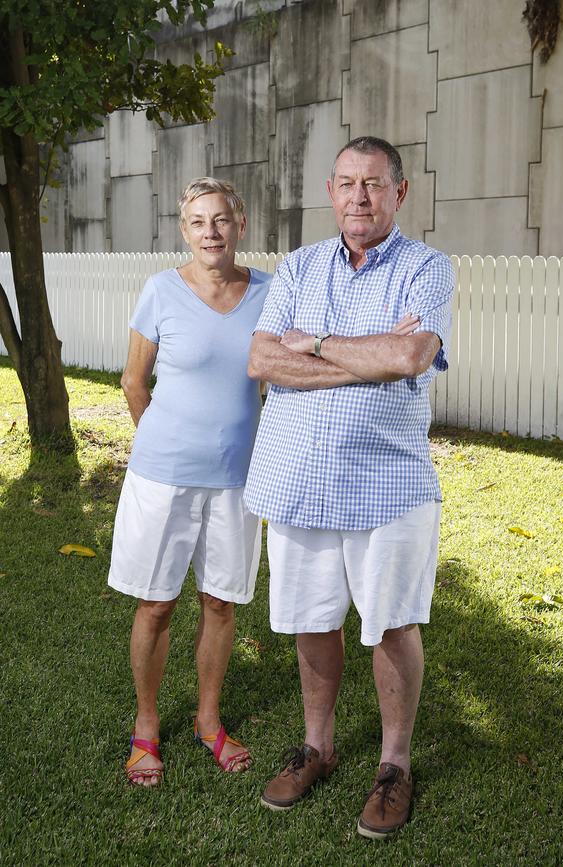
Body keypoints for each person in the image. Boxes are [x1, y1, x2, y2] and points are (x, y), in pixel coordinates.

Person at [244, 137, 454, 838]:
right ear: (330, 192)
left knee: (392, 620)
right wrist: (362, 353)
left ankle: (394, 765)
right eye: (345, 183)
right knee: (312, 617)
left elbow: (408, 355)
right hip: (299, 478)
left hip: (386, 483)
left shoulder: (427, 268)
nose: (358, 197)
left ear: (399, 192)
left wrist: (316, 341)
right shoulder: (299, 266)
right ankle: (318, 746)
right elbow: (261, 359)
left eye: (372, 183)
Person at [108, 177, 272, 786]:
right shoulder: (160, 291)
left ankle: (209, 721)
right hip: (165, 476)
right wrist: (162, 441)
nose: (211, 231)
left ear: (241, 224)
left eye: (222, 219)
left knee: (220, 602)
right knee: (157, 604)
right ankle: (146, 726)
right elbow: (133, 381)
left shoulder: (269, 292)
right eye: (199, 222)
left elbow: (277, 375)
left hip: (236, 478)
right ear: (185, 231)